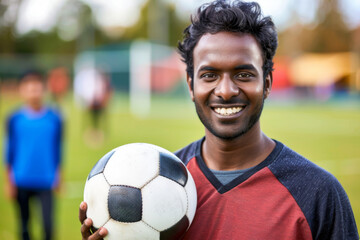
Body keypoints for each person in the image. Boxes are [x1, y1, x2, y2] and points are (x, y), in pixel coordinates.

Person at [79, 1, 359, 239]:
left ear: (268, 83)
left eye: (244, 74)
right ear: (190, 85)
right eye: (209, 75)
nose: (226, 91)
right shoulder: (158, 187)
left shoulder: (318, 194)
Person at [4, 70, 64, 240]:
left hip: (46, 180)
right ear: (22, 90)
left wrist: (59, 174)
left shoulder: (55, 118)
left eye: (37, 88)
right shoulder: (14, 118)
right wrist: (9, 180)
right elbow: (9, 151)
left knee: (48, 226)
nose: (34, 92)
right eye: (29, 88)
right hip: (21, 179)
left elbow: (58, 147)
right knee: (24, 226)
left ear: (43, 90)